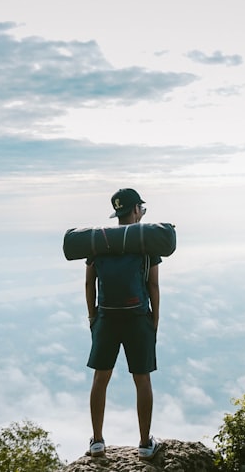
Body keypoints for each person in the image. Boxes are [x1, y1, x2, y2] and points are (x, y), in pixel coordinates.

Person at [85, 188, 162, 461]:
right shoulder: (145, 241)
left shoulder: (99, 241)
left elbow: (89, 281)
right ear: (136, 210)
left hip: (106, 317)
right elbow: (152, 284)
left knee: (100, 378)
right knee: (142, 379)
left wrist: (93, 317)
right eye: (140, 208)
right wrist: (153, 320)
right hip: (137, 317)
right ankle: (144, 444)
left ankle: (97, 441)